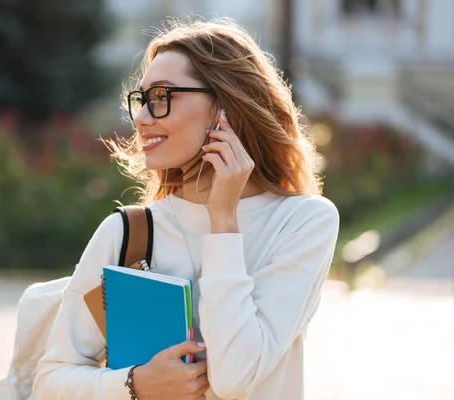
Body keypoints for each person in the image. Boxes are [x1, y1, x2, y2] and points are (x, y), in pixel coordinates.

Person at [33, 18, 339, 400]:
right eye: (141, 101)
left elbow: (234, 378)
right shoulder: (127, 232)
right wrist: (134, 384)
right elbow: (50, 382)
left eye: (161, 98)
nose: (142, 118)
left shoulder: (303, 222)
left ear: (224, 106)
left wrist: (223, 220)